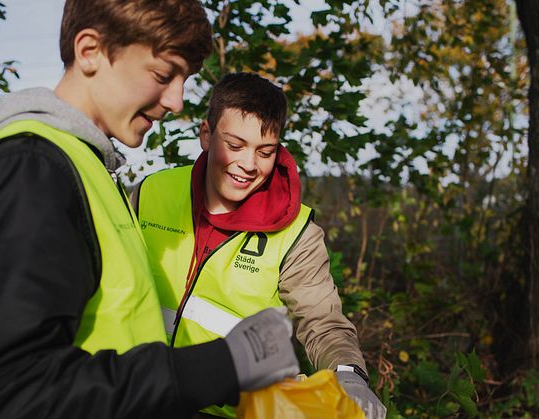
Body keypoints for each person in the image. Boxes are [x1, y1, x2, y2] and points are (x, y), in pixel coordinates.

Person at [0, 2, 299, 418]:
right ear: (89, 50)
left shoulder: (82, 167)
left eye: (183, 81)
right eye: (163, 75)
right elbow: (9, 392)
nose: (176, 101)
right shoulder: (30, 167)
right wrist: (221, 365)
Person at [132, 72, 387, 419]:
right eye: (235, 146)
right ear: (206, 136)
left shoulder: (297, 232)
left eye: (264, 152)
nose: (248, 165)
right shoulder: (149, 193)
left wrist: (349, 375)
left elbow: (323, 321)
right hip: (136, 394)